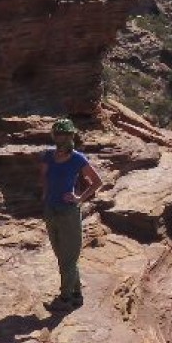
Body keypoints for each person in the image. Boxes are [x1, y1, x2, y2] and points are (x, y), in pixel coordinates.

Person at [40, 118, 102, 312]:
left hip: (68, 212)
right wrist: (45, 195)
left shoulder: (78, 158)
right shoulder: (48, 156)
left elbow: (97, 182)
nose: (61, 138)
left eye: (65, 134)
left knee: (68, 257)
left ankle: (65, 298)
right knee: (62, 256)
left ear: (72, 136)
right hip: (51, 210)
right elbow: (44, 176)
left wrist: (79, 198)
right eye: (58, 134)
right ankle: (77, 295)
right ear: (53, 135)